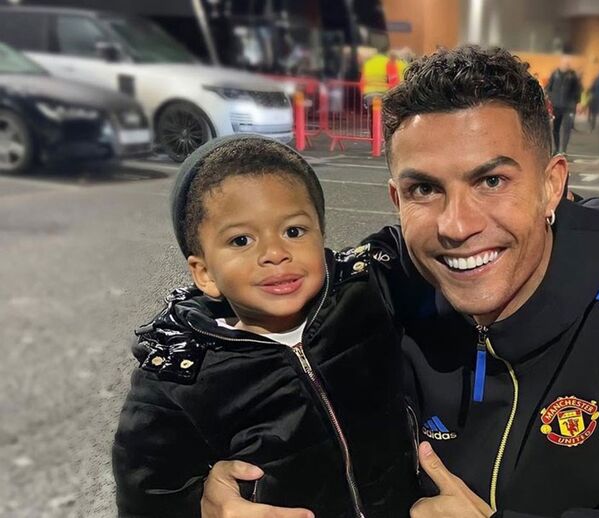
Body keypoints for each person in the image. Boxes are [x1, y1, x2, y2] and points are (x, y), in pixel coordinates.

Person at [200, 45, 599, 518]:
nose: (457, 226)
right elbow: (232, 303)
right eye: (425, 189)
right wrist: (198, 492)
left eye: (492, 181)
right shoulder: (384, 275)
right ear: (397, 199)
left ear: (551, 186)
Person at [112, 135, 418, 517]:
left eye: (294, 231)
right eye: (241, 240)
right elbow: (146, 499)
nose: (274, 253)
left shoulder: (365, 292)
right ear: (204, 273)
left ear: (322, 236)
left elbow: (422, 248)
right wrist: (200, 507)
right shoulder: (178, 379)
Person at [545, 55, 582, 155]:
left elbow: (577, 90)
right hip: (556, 106)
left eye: (568, 63)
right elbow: (548, 87)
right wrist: (551, 97)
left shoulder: (573, 76)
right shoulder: (555, 74)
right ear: (561, 63)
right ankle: (557, 149)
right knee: (555, 128)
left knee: (567, 128)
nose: (567, 64)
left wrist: (578, 103)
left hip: (569, 107)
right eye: (565, 62)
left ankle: (563, 150)